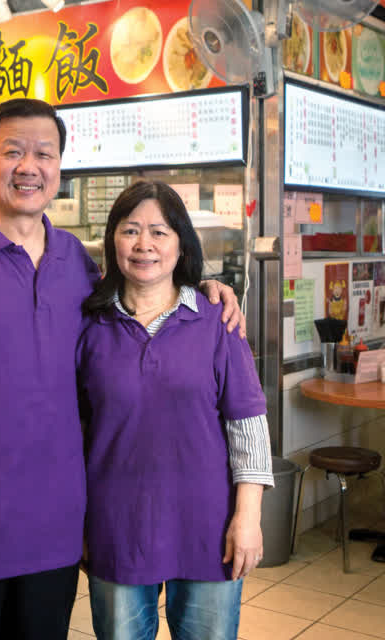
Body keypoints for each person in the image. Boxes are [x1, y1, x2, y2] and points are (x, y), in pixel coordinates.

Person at [0, 98, 243, 640]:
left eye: (44, 154)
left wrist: (207, 291)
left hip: (53, 530)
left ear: (60, 171)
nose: (29, 166)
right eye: (13, 152)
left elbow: (146, 295)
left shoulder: (76, 263)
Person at [76, 180, 273, 640]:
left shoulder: (216, 321)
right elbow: (74, 430)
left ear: (181, 244)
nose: (144, 244)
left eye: (160, 232)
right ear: (113, 242)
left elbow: (248, 427)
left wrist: (248, 518)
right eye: (130, 231)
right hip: (116, 524)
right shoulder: (89, 326)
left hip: (208, 525)